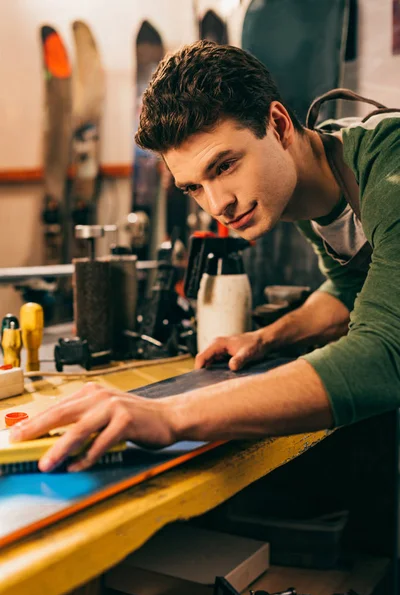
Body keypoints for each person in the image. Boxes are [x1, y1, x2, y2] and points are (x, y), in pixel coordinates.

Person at [11, 41, 400, 473]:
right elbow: (352, 288)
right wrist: (268, 338)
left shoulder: (389, 166)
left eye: (225, 165)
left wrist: (171, 414)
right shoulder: (311, 183)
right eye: (193, 187)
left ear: (277, 125)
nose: (217, 204)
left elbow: (386, 353)